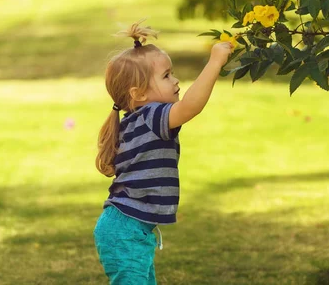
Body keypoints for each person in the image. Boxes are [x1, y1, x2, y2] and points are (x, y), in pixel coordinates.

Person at [93, 22, 234, 285]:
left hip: (128, 229)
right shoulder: (150, 116)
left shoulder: (137, 119)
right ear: (139, 94)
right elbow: (191, 106)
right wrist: (215, 62)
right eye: (167, 76)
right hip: (126, 231)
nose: (176, 80)